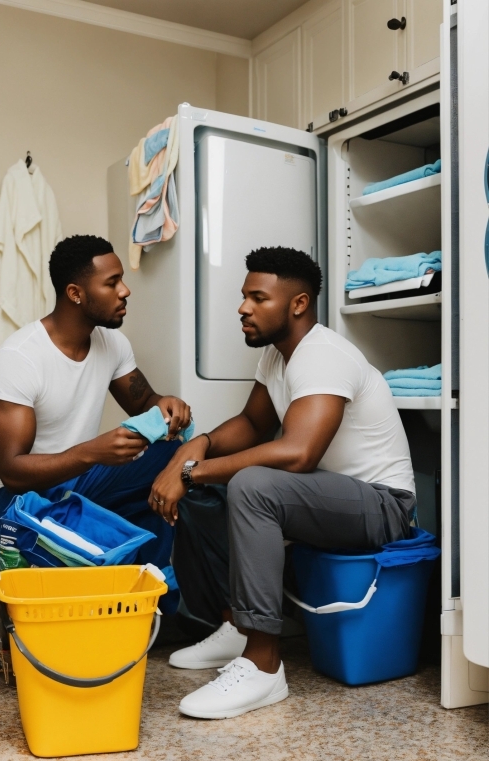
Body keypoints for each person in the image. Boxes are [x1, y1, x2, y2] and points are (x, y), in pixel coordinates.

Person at [149, 246, 416, 719]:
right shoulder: (278, 358)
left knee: (252, 483)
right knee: (214, 485)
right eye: (244, 296)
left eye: (258, 297)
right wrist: (200, 446)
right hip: (327, 496)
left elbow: (298, 452)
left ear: (298, 304)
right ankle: (237, 625)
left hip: (382, 506)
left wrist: (189, 472)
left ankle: (263, 666)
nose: (243, 308)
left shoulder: (323, 354)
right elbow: (253, 424)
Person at [0, 235, 191, 582]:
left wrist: (165, 406)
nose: (125, 291)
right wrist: (92, 453)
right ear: (75, 293)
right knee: (69, 524)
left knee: (175, 456)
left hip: (76, 484)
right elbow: (11, 471)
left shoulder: (112, 343)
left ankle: (151, 608)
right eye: (112, 283)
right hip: (7, 500)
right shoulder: (20, 359)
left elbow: (145, 401)